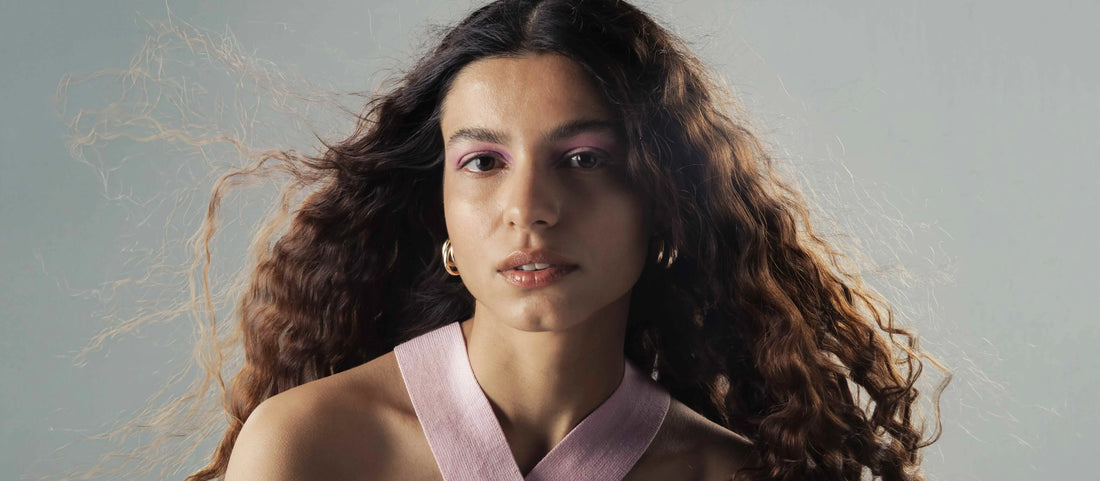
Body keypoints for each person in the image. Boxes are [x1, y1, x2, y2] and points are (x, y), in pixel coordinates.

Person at [177, 1, 944, 480]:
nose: (530, 208)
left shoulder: (728, 472)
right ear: (438, 205)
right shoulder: (308, 447)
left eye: (583, 159)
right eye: (482, 162)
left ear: (661, 201)